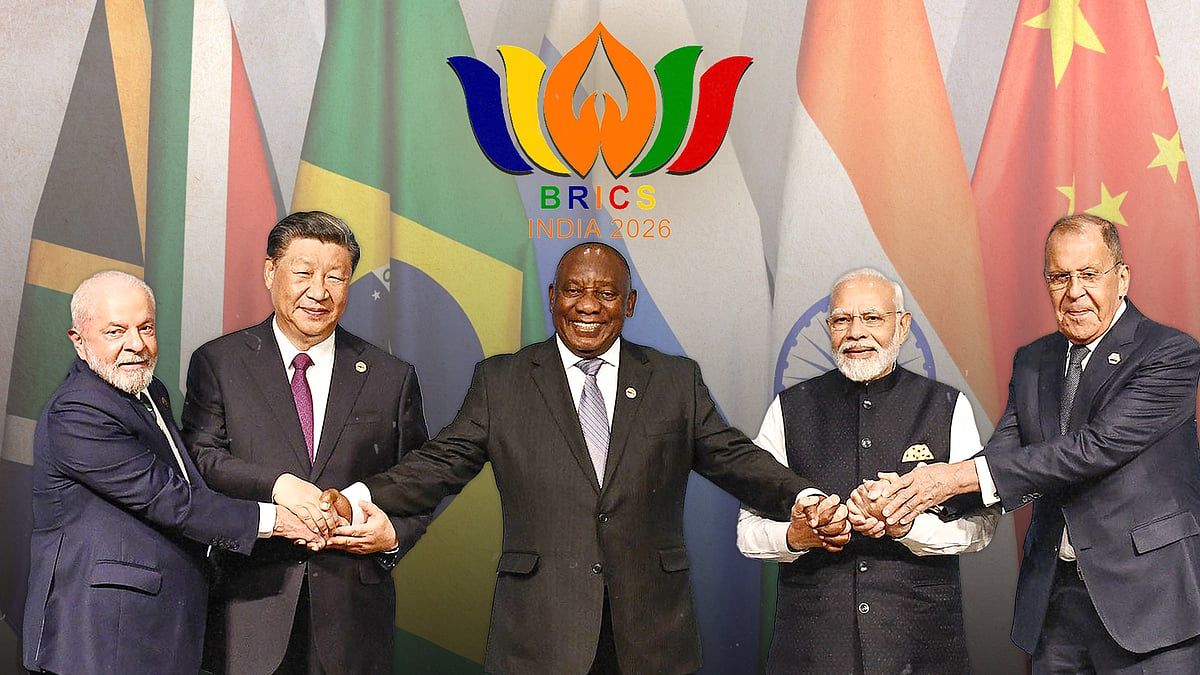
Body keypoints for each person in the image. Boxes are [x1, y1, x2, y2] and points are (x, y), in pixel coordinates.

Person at [323, 242, 846, 674]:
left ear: (630, 303)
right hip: (540, 634)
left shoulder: (674, 380)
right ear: (553, 297)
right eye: (573, 290)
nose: (587, 305)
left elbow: (733, 456)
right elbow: (440, 463)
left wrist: (802, 495)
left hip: (651, 635)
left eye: (605, 293)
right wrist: (358, 497)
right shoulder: (502, 381)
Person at [875, 214, 1200, 671]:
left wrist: (949, 479)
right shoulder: (1033, 360)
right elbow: (1004, 456)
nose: (1074, 292)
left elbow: (1093, 448)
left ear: (1122, 278)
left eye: (1089, 274)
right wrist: (912, 497)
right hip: (1055, 604)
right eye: (1059, 277)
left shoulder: (1169, 353)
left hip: (1149, 604)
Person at [22, 271, 314, 675]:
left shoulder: (149, 390)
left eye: (145, 328)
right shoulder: (77, 412)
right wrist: (275, 519)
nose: (136, 344)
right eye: (115, 331)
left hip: (158, 626)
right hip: (101, 636)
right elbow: (169, 498)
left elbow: (187, 481)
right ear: (78, 340)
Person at [181, 211, 430, 674]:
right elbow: (201, 458)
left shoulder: (390, 376)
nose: (319, 292)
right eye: (303, 273)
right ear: (270, 272)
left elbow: (419, 480)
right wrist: (278, 485)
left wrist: (394, 536)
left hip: (352, 618)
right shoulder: (220, 362)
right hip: (248, 608)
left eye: (336, 277)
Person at [737, 268, 996, 674]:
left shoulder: (946, 406)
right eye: (842, 320)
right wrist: (796, 536)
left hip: (920, 649)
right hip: (812, 650)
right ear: (829, 329)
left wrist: (907, 527)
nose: (856, 332)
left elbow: (981, 527)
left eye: (872, 318)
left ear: (902, 326)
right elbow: (747, 532)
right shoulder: (789, 409)